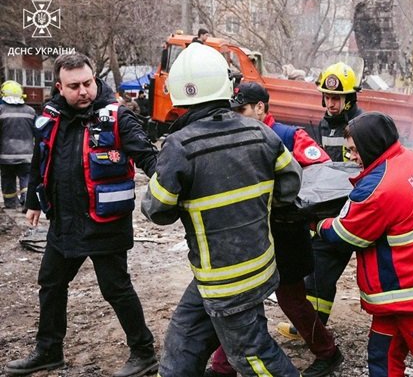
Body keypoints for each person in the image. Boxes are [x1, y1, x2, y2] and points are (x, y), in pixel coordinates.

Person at [141, 43, 302, 377]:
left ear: (178, 95)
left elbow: (157, 210)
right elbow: (291, 182)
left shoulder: (180, 146)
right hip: (250, 269)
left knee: (254, 357)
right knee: (182, 346)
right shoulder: (261, 131)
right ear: (227, 87)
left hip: (224, 281)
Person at [5, 53, 158, 377]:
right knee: (50, 282)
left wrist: (170, 191)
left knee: (115, 289)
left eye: (87, 83)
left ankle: (143, 354)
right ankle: (49, 351)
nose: (83, 91)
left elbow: (149, 158)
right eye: (74, 86)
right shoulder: (49, 118)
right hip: (64, 222)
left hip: (106, 224)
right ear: (59, 87)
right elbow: (39, 160)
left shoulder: (117, 117)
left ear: (94, 80)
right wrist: (33, 200)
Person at [315, 111, 413, 377]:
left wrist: (316, 224)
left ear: (371, 146)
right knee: (382, 358)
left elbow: (345, 235)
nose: (352, 157)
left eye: (355, 150)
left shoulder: (378, 188)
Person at [203, 82, 341, 377]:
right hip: (250, 236)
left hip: (286, 236)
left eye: (242, 110)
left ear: (261, 107)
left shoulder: (291, 137)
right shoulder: (234, 138)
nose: (237, 116)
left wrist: (292, 208)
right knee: (243, 301)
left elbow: (324, 177)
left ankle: (328, 352)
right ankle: (222, 365)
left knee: (291, 301)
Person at [277, 62, 364, 340]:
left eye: (337, 98)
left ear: (350, 99)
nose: (330, 103)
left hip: (351, 208)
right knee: (318, 268)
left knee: (323, 267)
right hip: (329, 207)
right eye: (327, 97)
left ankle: (313, 330)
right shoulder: (324, 124)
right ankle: (313, 327)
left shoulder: (361, 126)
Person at [0, 80, 36, 210]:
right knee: (26, 178)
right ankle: (26, 200)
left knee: (8, 179)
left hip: (5, 156)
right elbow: (37, 133)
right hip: (27, 155)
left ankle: (10, 205)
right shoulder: (30, 111)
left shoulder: (1, 111)